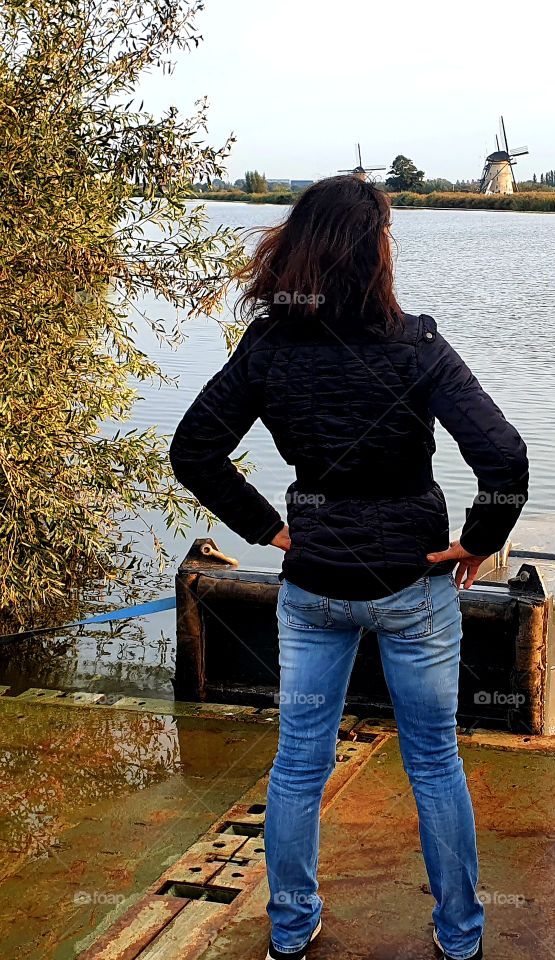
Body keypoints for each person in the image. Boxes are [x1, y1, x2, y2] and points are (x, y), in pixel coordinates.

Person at [170, 175, 529, 960]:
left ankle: (290, 932)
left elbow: (193, 451)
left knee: (300, 763)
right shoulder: (417, 346)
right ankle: (460, 939)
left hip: (315, 587)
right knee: (433, 763)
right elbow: (503, 455)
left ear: (300, 246)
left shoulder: (268, 347)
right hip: (414, 586)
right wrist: (479, 540)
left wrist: (270, 531)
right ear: (375, 253)